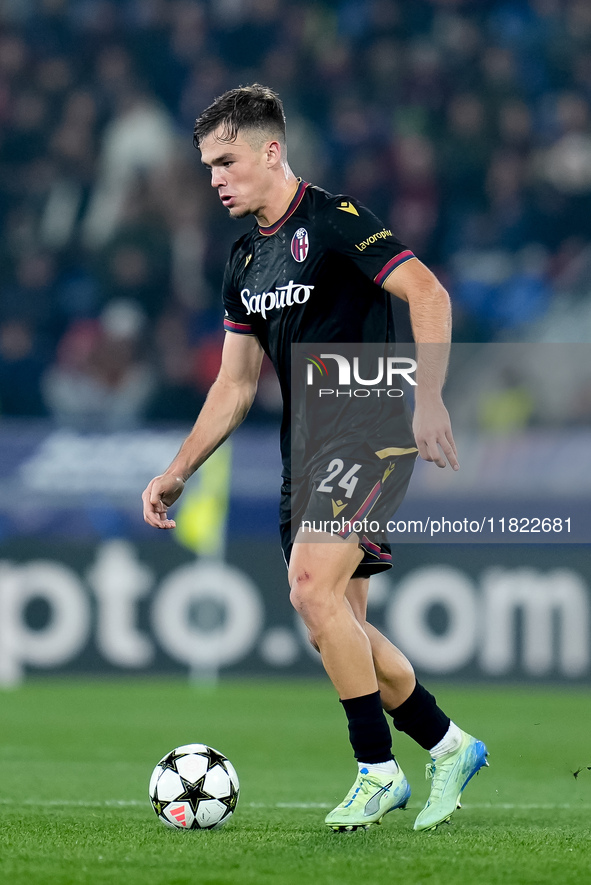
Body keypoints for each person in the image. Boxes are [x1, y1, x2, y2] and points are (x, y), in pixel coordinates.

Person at [142, 84, 488, 832]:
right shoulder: (243, 259)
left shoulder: (333, 222)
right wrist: (178, 470)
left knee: (307, 586)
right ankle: (449, 743)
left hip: (369, 430)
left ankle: (376, 770)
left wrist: (429, 397)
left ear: (271, 151)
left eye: (226, 160)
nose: (215, 178)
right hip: (304, 450)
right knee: (336, 625)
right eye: (206, 166)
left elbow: (427, 293)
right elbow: (234, 386)